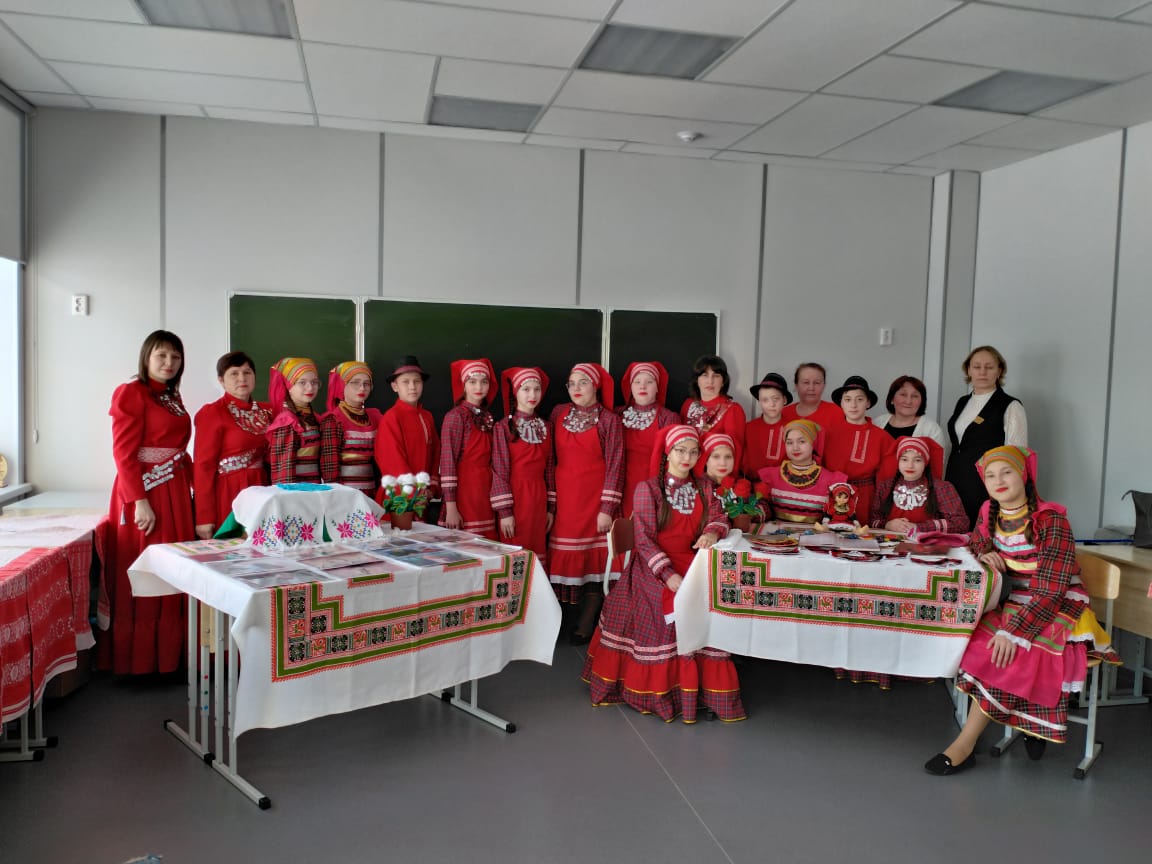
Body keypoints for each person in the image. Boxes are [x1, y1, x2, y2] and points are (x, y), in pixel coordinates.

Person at [925, 446, 1119, 775]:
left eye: (1007, 472)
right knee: (977, 644)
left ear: (1024, 475)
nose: (998, 481)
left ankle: (965, 744)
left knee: (1014, 652)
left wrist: (1013, 632)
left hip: (1060, 603)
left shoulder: (1051, 519)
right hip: (1017, 601)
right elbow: (974, 542)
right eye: (990, 475)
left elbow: (1052, 589)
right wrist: (984, 552)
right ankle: (1023, 721)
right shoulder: (988, 511)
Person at [582, 425, 744, 723]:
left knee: (716, 602)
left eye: (693, 452)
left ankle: (705, 692)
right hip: (653, 568)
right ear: (668, 452)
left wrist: (711, 532)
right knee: (668, 611)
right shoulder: (649, 489)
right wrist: (668, 575)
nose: (687, 457)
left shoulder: (704, 487)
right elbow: (643, 540)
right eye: (681, 451)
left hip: (693, 564)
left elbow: (721, 517)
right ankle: (662, 692)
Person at [104, 330, 194, 674]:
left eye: (175, 357)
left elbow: (178, 450)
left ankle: (169, 658)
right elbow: (123, 453)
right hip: (144, 493)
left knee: (174, 565)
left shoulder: (172, 397)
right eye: (161, 355)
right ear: (146, 357)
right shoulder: (131, 393)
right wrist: (138, 501)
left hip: (174, 492)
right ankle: (140, 662)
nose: (169, 362)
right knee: (145, 567)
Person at [548, 362, 624, 644]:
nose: (576, 388)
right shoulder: (558, 413)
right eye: (572, 383)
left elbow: (616, 466)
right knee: (560, 561)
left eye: (583, 382)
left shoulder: (609, 420)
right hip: (565, 501)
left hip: (595, 501)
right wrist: (550, 502)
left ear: (596, 386)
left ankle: (586, 622)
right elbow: (549, 459)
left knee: (595, 566)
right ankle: (554, 624)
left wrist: (607, 509)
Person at [192, 351, 273, 541]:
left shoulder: (268, 411)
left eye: (247, 372)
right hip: (228, 492)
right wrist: (204, 517)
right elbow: (203, 467)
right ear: (221, 380)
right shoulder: (212, 412)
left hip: (262, 490)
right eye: (234, 373)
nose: (242, 378)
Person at [945, 346, 1027, 526]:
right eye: (977, 367)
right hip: (954, 484)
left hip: (987, 487)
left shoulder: (1011, 405)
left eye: (989, 367)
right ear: (968, 370)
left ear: (999, 371)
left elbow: (1017, 455)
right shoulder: (962, 402)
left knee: (983, 536)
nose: (982, 372)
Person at [490, 366, 554, 563]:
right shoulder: (503, 427)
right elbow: (499, 470)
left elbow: (549, 470)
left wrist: (550, 508)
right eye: (526, 389)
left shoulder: (547, 427)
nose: (532, 395)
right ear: (515, 392)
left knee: (536, 553)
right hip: (516, 497)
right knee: (515, 554)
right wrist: (505, 513)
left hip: (539, 498)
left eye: (537, 389)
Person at [821, 376, 893, 525]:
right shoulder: (828, 434)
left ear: (868, 403)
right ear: (841, 403)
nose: (853, 405)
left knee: (864, 534)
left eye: (859, 399)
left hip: (867, 498)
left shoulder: (882, 437)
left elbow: (887, 477)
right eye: (847, 400)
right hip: (834, 495)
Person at [439, 358, 498, 539]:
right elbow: (448, 462)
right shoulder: (456, 417)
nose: (478, 387)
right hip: (464, 494)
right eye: (472, 382)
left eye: (484, 382)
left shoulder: (488, 417)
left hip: (485, 491)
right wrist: (451, 507)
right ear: (463, 386)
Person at [373, 355, 440, 509]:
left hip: (422, 497)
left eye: (417, 381)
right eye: (405, 381)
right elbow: (392, 461)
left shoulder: (427, 417)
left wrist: (431, 487)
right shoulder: (391, 418)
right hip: (399, 498)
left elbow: (436, 454)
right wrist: (414, 493)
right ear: (395, 386)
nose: (412, 387)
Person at [871, 437, 968, 536]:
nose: (910, 465)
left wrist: (919, 527)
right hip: (890, 543)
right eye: (904, 459)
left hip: (926, 543)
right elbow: (873, 520)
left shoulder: (941, 488)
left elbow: (961, 523)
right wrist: (888, 525)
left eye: (917, 460)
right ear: (898, 461)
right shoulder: (885, 487)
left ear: (925, 462)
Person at [618, 361, 679, 519]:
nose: (642, 386)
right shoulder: (617, 416)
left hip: (653, 487)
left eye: (649, 382)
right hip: (621, 487)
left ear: (658, 387)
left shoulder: (668, 417)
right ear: (630, 387)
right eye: (637, 382)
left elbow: (673, 462)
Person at [758, 419, 848, 524]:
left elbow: (837, 518)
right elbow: (763, 511)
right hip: (777, 534)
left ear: (813, 443)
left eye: (802, 441)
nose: (795, 448)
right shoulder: (772, 476)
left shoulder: (830, 480)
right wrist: (755, 512)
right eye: (789, 442)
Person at [319, 361, 382, 496]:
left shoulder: (375, 417)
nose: (362, 388)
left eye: (366, 383)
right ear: (342, 385)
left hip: (372, 492)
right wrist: (337, 497)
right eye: (355, 383)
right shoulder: (333, 420)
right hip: (345, 494)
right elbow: (330, 468)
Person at [680, 354, 744, 473]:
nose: (710, 381)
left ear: (723, 381)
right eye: (705, 375)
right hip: (686, 472)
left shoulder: (733, 409)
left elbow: (736, 451)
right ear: (697, 380)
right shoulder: (688, 404)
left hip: (715, 475)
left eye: (716, 376)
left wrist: (727, 481)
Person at [266, 357, 322, 485]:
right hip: (297, 491)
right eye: (302, 382)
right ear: (288, 385)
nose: (310, 388)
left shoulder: (314, 417)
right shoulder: (287, 421)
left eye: (314, 382)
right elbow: (284, 474)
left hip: (316, 488)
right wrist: (292, 494)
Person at [873, 375, 946, 449]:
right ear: (891, 399)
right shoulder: (877, 423)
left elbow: (939, 456)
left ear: (922, 401)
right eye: (903, 395)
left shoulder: (932, 429)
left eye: (915, 396)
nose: (908, 401)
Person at [744, 372, 792, 479]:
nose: (771, 404)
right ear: (759, 401)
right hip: (751, 483)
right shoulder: (748, 428)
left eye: (776, 399)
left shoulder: (793, 429)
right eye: (765, 400)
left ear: (784, 400)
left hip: (782, 483)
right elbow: (743, 459)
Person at [781, 362, 843, 431]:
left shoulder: (838, 412)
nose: (811, 388)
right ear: (796, 385)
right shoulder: (782, 413)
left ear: (824, 385)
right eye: (806, 382)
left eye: (817, 383)